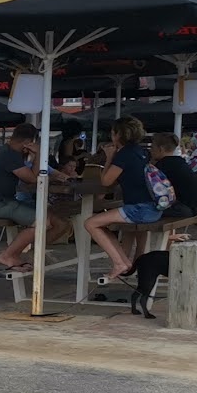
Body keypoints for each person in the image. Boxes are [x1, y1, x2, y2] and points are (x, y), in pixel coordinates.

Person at [0, 123, 71, 271]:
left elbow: (33, 177)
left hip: (4, 201)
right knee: (43, 222)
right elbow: (32, 179)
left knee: (60, 223)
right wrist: (38, 154)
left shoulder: (9, 152)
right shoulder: (9, 154)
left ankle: (33, 254)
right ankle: (8, 255)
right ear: (28, 142)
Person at [85, 117, 159, 279]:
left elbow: (106, 181)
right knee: (101, 224)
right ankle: (124, 262)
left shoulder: (124, 154)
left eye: (113, 133)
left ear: (118, 135)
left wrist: (109, 157)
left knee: (90, 223)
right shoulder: (142, 152)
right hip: (152, 206)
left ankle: (119, 263)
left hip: (138, 209)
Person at [150, 132, 197, 218]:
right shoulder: (179, 162)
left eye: (152, 147)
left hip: (182, 209)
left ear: (161, 149)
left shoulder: (162, 166)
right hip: (194, 206)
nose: (151, 151)